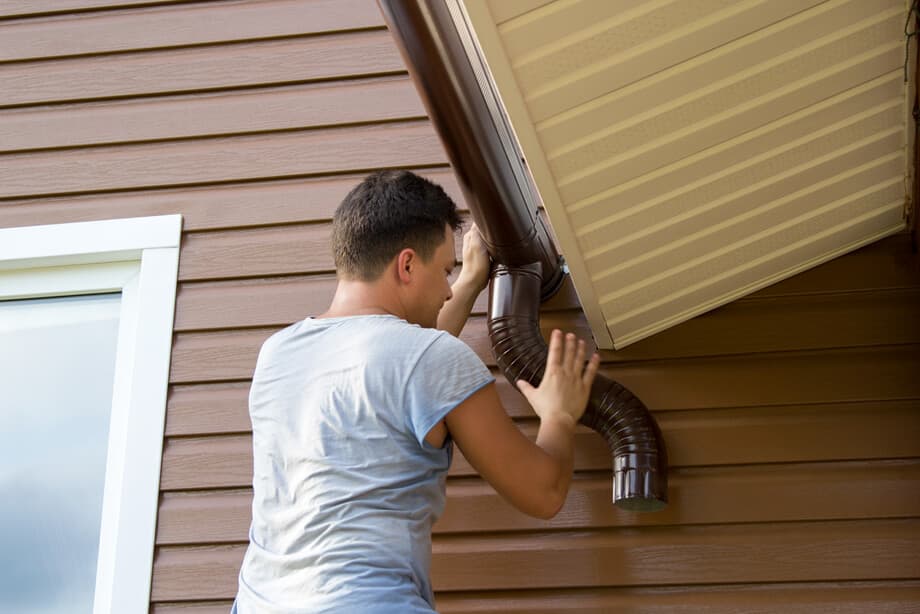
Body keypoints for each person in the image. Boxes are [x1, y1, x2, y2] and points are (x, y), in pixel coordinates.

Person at [232, 170, 600, 613]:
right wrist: (559, 416)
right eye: (445, 270)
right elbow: (543, 494)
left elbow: (396, 367)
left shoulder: (278, 353)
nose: (447, 288)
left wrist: (468, 284)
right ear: (407, 265)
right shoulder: (430, 358)